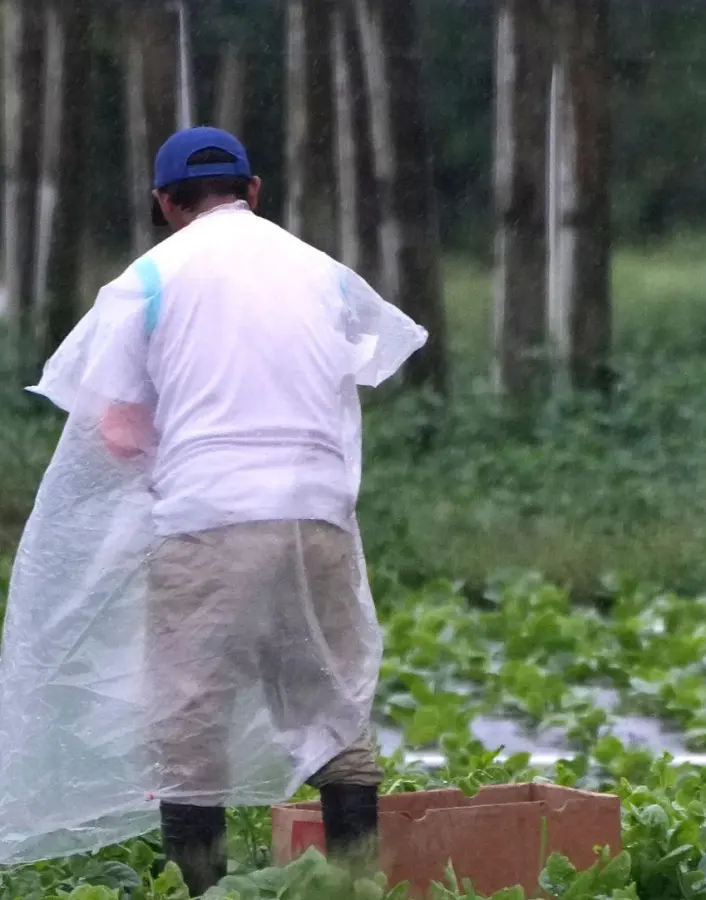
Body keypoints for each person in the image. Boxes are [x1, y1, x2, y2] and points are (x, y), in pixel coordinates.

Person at [0, 126, 426, 893]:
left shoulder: (152, 278)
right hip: (317, 519)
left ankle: (202, 888)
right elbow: (353, 369)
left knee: (190, 724)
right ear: (253, 191)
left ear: (165, 204)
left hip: (208, 521)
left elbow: (123, 431)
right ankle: (358, 881)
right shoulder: (320, 271)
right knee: (331, 700)